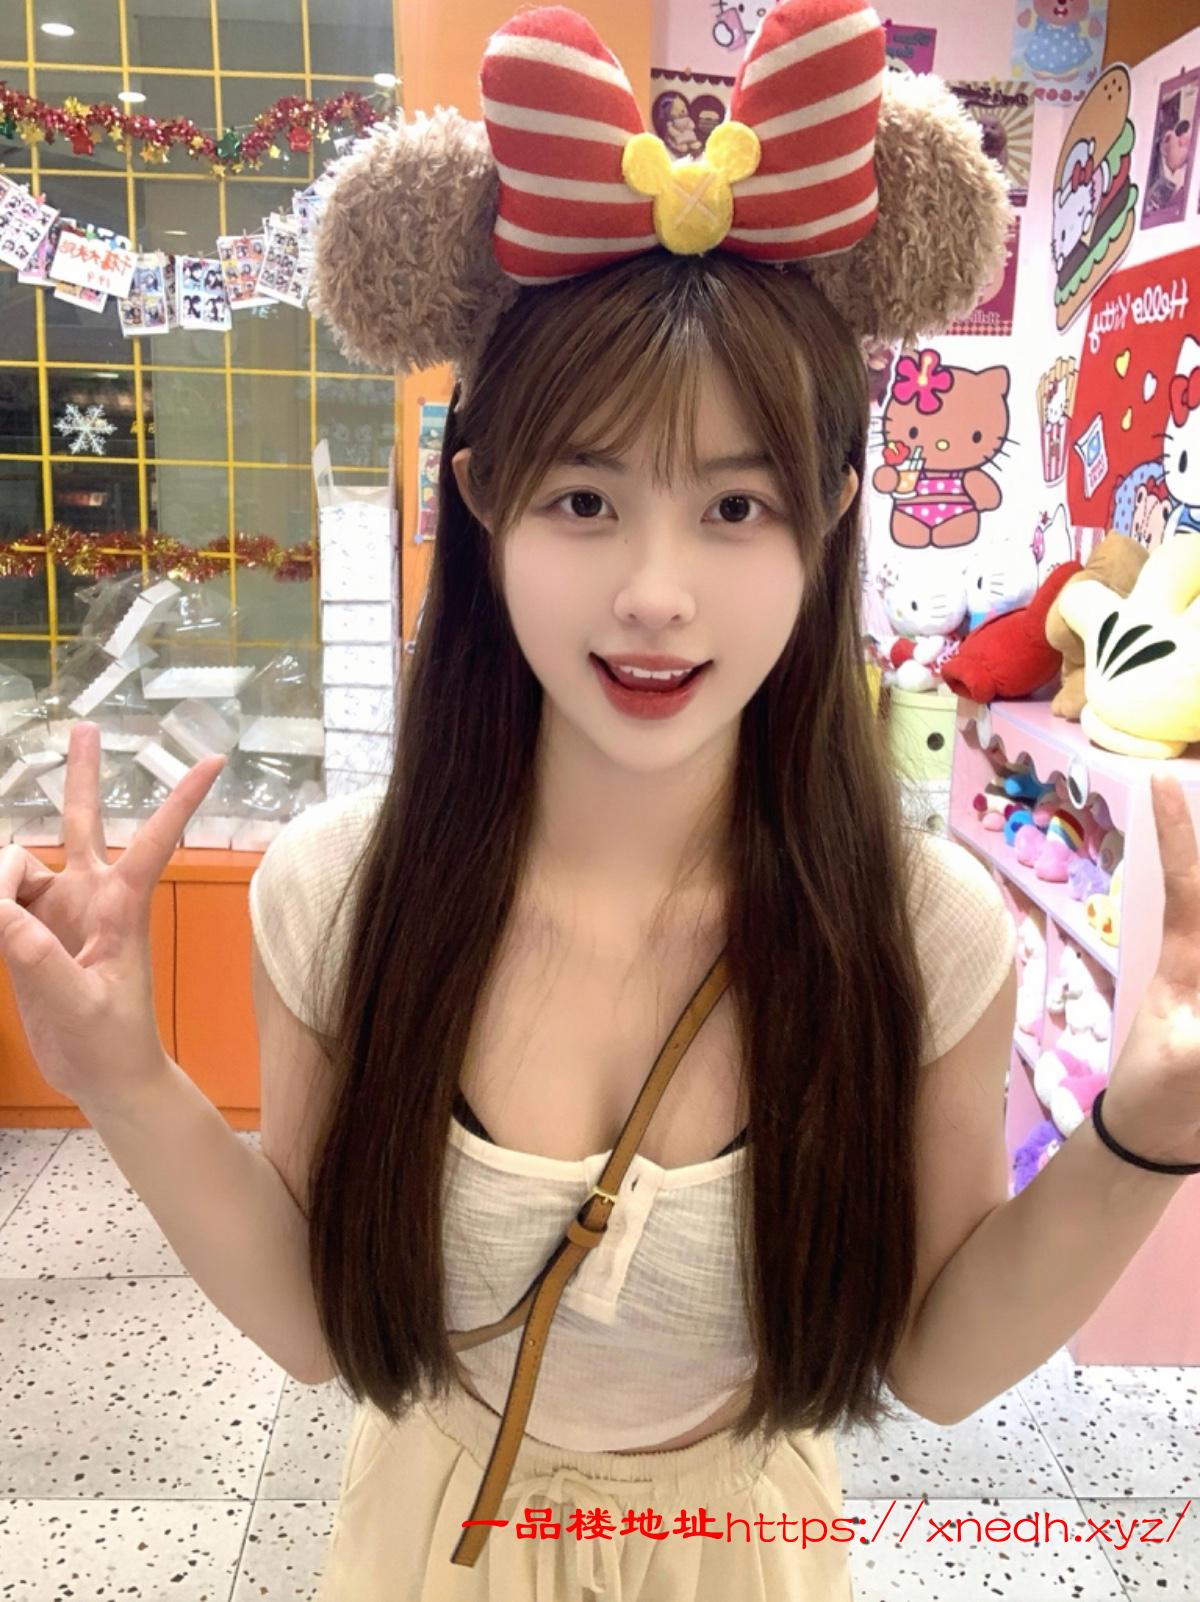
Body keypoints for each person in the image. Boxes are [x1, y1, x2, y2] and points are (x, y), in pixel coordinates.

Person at [2, 6, 1198, 1602]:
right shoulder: (339, 893)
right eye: (584, 496)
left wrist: (1147, 1133)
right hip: (437, 1541)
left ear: (831, 517)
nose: (654, 591)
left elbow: (935, 1357)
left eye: (735, 505)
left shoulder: (925, 933)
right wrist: (122, 1073)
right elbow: (310, 1326)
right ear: (485, 501)